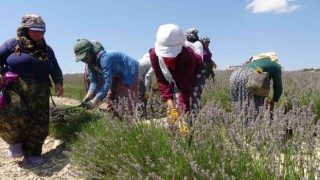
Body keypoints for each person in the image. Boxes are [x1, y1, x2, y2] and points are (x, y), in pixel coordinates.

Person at [0, 14, 64, 166]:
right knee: (14, 115)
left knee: (39, 121)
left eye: (41, 30)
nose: (38, 33)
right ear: (25, 29)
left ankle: (33, 153)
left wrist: (58, 82)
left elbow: (55, 68)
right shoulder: (11, 44)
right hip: (15, 86)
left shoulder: (47, 49)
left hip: (40, 89)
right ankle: (15, 143)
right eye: (34, 30)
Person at [150, 24, 205, 127]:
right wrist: (170, 103)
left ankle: (193, 127)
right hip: (175, 75)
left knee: (192, 101)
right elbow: (161, 79)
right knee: (174, 104)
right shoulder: (154, 55)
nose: (168, 58)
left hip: (196, 72)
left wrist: (183, 118)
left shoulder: (187, 57)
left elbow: (185, 89)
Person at [73, 39, 139, 118]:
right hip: (116, 73)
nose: (84, 60)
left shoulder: (104, 57)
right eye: (81, 59)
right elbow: (94, 82)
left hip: (129, 70)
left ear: (90, 51)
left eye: (85, 57)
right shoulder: (90, 63)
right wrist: (88, 96)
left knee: (124, 99)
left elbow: (107, 83)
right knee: (111, 98)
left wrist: (95, 101)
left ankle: (128, 123)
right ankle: (114, 122)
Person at [136, 51, 154, 119]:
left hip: (135, 72)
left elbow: (149, 77)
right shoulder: (155, 62)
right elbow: (147, 77)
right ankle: (141, 117)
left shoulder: (145, 60)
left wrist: (149, 88)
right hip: (138, 74)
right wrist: (147, 91)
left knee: (139, 96)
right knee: (141, 96)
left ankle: (142, 115)